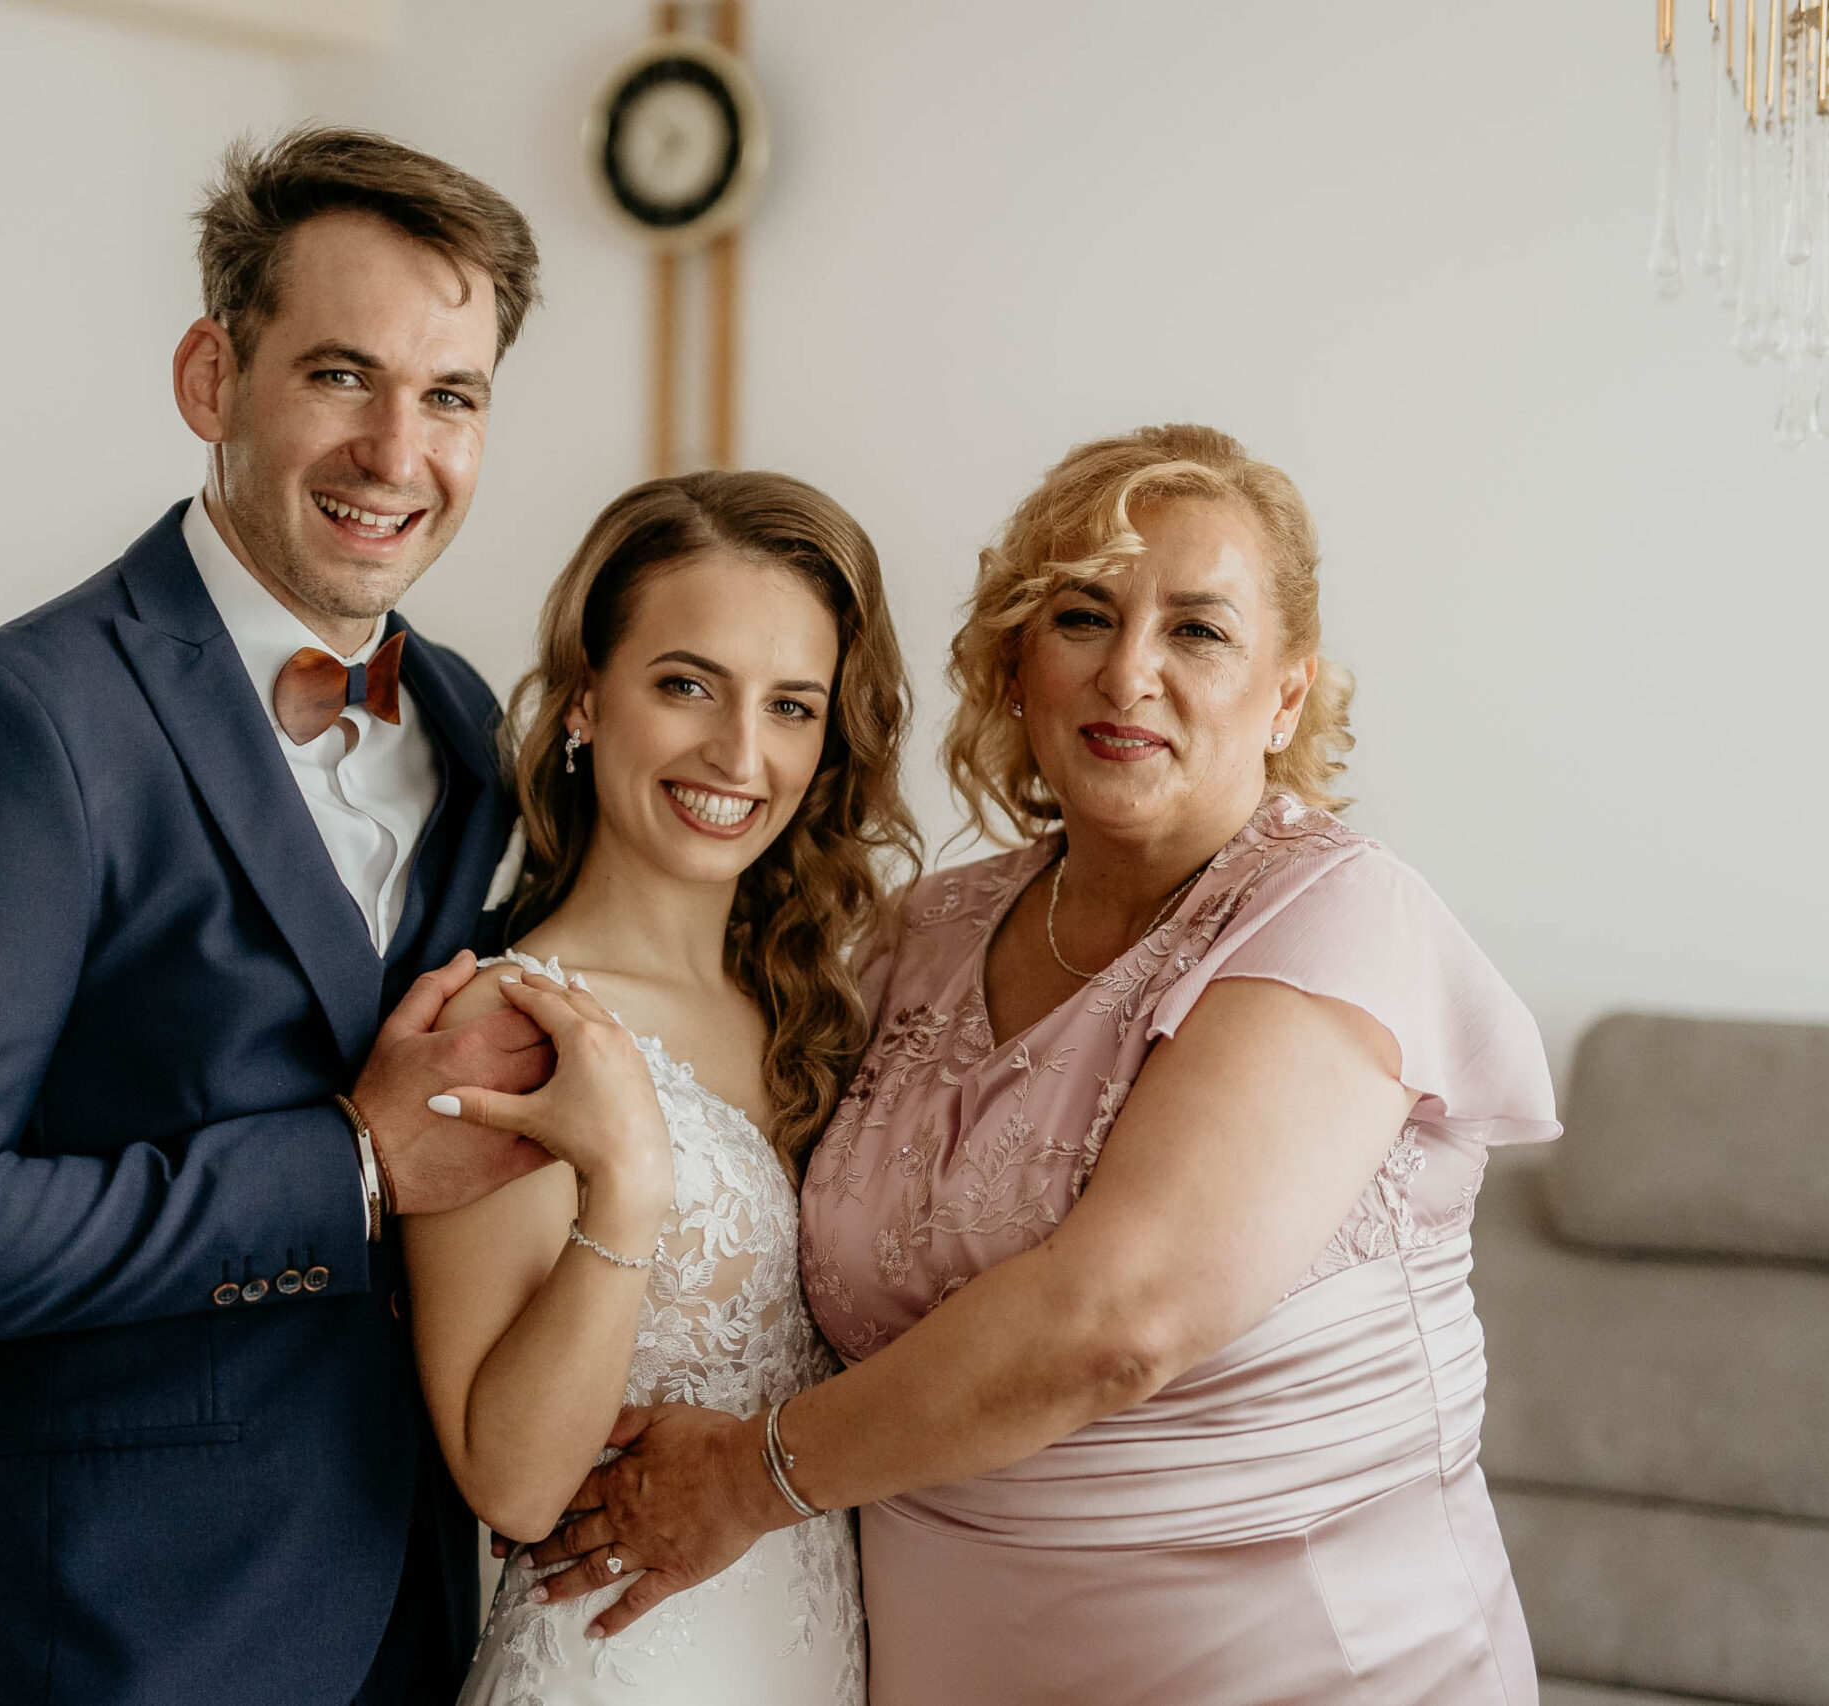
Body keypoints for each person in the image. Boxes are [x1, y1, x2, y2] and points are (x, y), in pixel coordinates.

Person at [523, 424, 1562, 1704]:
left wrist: (745, 1476)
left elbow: (1118, 1323)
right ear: (1016, 665)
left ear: (1285, 694)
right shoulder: (923, 934)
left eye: (1196, 629)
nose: (1129, 672)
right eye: (1083, 616)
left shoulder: (1335, 917)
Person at [0, 129, 560, 1706]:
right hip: (108, 1627)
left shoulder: (474, 720)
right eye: (341, 375)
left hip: (411, 1611)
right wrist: (349, 1166)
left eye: (452, 396)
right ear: (214, 377)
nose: (396, 451)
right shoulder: (22, 717)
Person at [411, 471, 916, 1704]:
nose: (739, 753)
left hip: (813, 1655)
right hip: (619, 1665)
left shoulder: (819, 1009)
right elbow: (512, 1481)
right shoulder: (511, 1020)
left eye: (790, 705)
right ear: (587, 696)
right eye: (687, 684)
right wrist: (627, 1186)